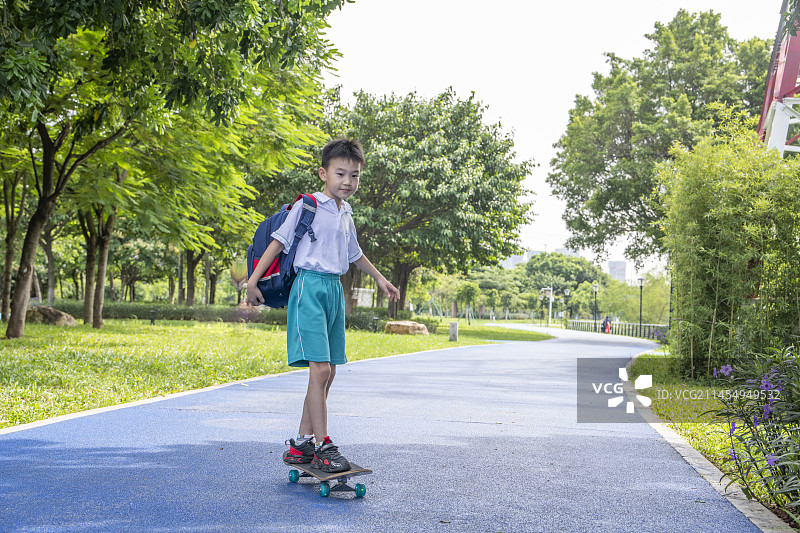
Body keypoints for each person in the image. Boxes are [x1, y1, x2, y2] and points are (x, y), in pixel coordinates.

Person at [246, 138, 400, 473]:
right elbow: (278, 243)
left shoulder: (346, 213)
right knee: (320, 370)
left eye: (355, 176)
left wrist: (380, 279)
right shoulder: (309, 206)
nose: (348, 181)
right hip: (309, 288)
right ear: (323, 173)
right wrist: (253, 281)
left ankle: (302, 443)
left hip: (334, 291)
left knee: (327, 374)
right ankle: (323, 445)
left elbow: (354, 252)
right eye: (341, 173)